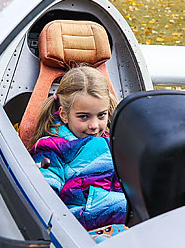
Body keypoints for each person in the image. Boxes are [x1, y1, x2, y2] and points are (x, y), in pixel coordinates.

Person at [28, 66, 127, 233]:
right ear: (64, 114)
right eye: (83, 116)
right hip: (84, 227)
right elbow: (45, 199)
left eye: (101, 115)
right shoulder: (51, 148)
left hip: (122, 218)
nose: (94, 125)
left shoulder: (114, 140)